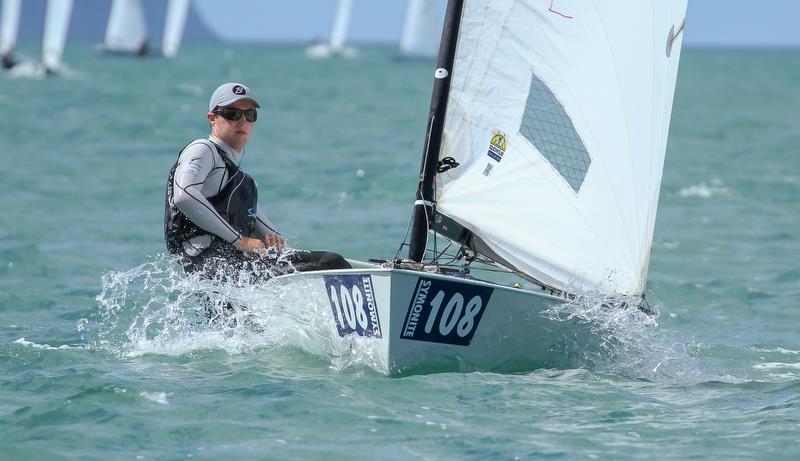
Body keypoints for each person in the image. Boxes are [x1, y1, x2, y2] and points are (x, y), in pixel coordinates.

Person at [164, 82, 350, 283]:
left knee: (307, 261)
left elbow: (270, 235)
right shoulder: (203, 149)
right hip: (215, 266)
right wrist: (240, 241)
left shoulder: (241, 182)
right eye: (232, 114)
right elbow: (184, 196)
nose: (242, 121)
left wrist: (274, 243)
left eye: (249, 115)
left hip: (229, 268)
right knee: (332, 262)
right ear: (212, 118)